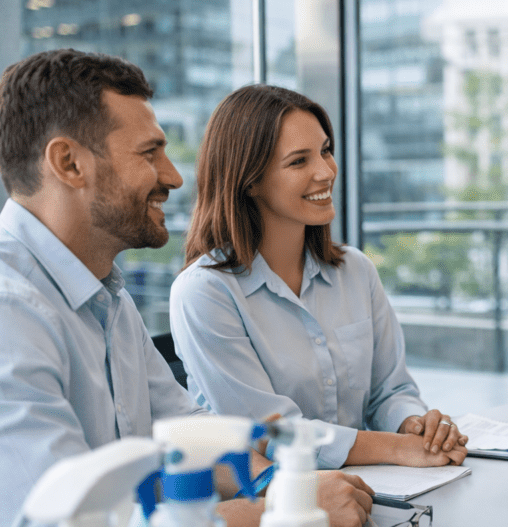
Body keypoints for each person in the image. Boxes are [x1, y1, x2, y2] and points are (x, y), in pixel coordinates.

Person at [0, 50, 373, 527]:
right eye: (150, 153)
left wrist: (281, 483)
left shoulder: (107, 296)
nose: (174, 177)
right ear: (70, 164)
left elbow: (187, 430)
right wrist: (279, 512)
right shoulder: (10, 311)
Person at [169, 84, 468, 470]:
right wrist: (395, 449)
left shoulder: (355, 271)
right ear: (250, 179)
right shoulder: (204, 293)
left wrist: (412, 425)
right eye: (299, 162)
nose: (326, 172)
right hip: (273, 507)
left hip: (375, 491)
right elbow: (269, 433)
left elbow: (390, 391)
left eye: (326, 150)